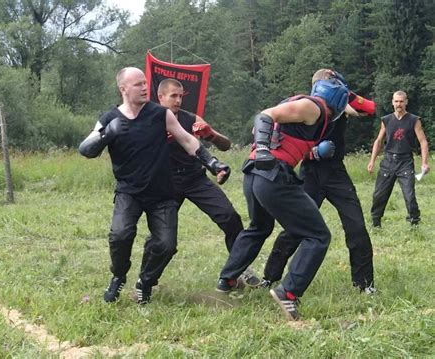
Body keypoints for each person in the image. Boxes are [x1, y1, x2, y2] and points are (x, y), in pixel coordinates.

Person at [78, 67, 231, 304]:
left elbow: (187, 139)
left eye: (144, 82)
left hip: (162, 191)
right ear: (123, 89)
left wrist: (212, 162)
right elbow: (85, 149)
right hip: (129, 191)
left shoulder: (160, 114)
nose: (144, 87)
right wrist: (106, 135)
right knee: (120, 235)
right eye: (138, 84)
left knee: (166, 245)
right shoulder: (109, 118)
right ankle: (118, 276)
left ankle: (145, 282)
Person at [216, 69, 349, 320]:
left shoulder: (304, 109)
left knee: (259, 227)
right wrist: (266, 150)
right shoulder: (314, 107)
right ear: (333, 89)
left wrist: (312, 153)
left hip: (254, 173)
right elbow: (265, 116)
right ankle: (288, 292)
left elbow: (273, 135)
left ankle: (228, 279)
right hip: (272, 175)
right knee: (318, 235)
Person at [260, 90, 377, 295]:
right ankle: (269, 277)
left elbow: (367, 110)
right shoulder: (306, 106)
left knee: (356, 225)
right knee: (295, 229)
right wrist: (313, 152)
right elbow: (283, 136)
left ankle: (364, 284)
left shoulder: (341, 104)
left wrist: (347, 94)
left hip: (336, 173)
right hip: (310, 172)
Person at [156, 78, 259, 286]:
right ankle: (147, 279)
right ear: (161, 97)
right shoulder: (151, 119)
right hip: (166, 183)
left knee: (230, 218)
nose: (178, 100)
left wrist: (210, 135)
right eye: (172, 96)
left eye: (180, 96)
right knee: (163, 237)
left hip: (195, 178)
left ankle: (240, 268)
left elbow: (225, 145)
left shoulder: (191, 119)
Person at [367, 90, 430, 227]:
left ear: (406, 102)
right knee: (379, 195)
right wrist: (372, 160)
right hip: (388, 160)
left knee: (409, 195)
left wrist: (424, 162)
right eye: (396, 101)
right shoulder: (387, 120)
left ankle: (414, 223)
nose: (398, 104)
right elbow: (378, 141)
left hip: (405, 161)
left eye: (401, 101)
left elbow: (423, 141)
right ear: (392, 102)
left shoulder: (414, 120)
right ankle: (375, 223)